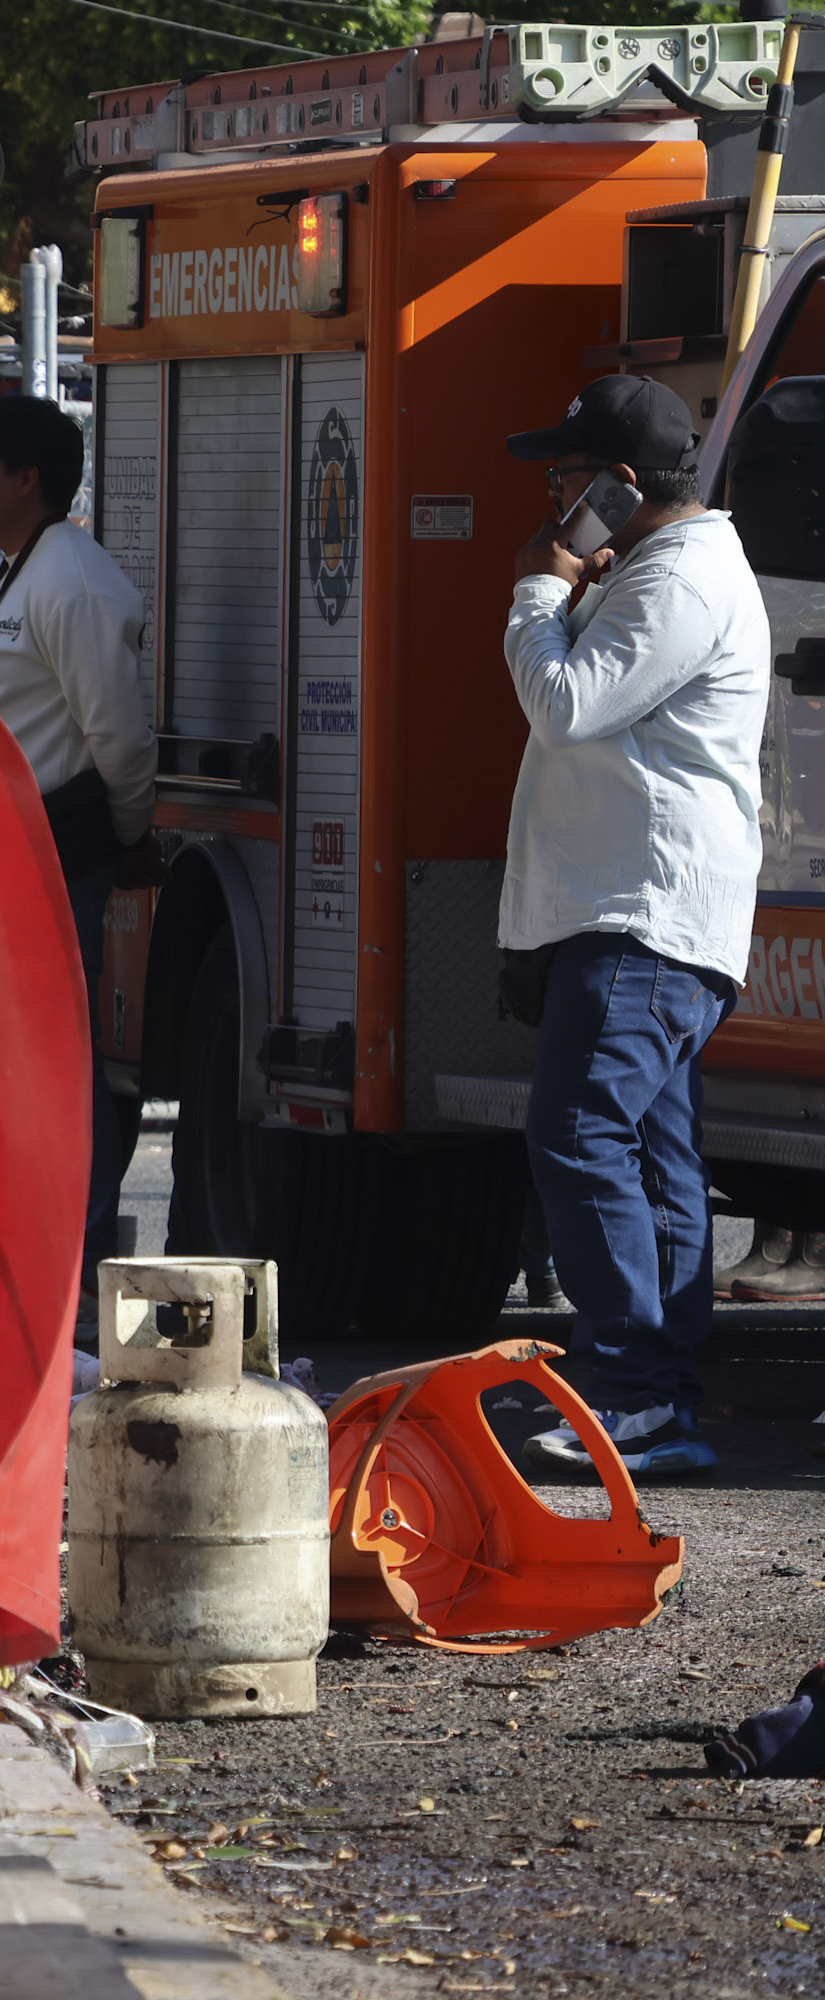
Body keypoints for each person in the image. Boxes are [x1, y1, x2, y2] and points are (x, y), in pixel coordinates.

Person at [499, 374, 768, 1478]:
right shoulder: (662, 567)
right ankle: (654, 1400)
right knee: (653, 1160)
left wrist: (537, 590)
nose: (552, 498)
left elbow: (564, 703)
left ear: (615, 485)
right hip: (639, 912)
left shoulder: (684, 579)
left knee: (577, 1136)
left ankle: (632, 1389)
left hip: (645, 915)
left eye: (564, 477)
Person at [0, 393, 160, 1311]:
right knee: (11, 1070)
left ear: (27, 479)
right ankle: (21, 1262)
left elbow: (118, 738)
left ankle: (65, 1276)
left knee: (61, 1073)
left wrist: (120, 837)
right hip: (6, 859)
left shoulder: (71, 579)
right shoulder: (19, 571)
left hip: (57, 852)